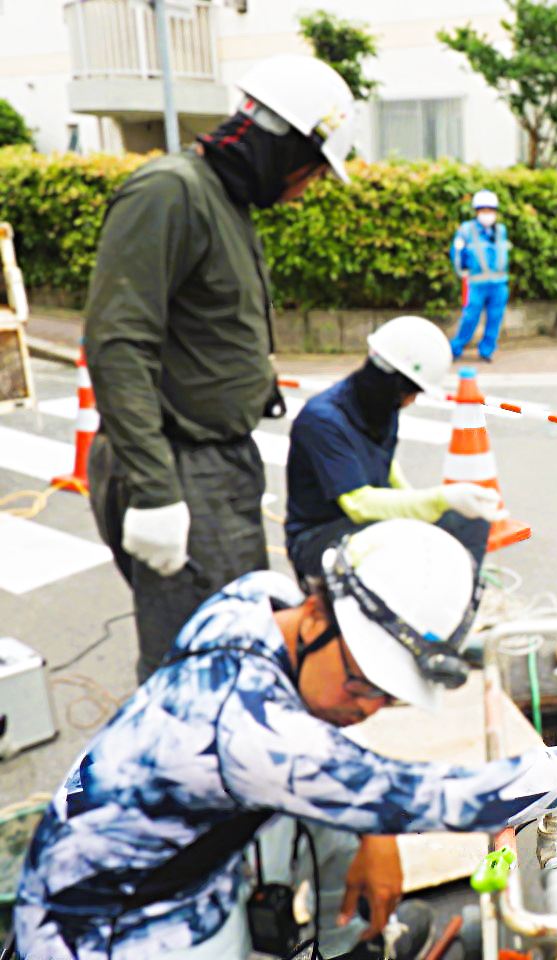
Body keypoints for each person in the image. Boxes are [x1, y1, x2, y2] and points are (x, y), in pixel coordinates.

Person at [13, 519, 557, 960]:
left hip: (137, 861)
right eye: (362, 680)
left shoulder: (254, 600)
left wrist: (374, 834)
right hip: (108, 932)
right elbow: (463, 801)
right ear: (319, 611)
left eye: (390, 692)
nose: (368, 707)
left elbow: (354, 779)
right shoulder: (255, 735)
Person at [85, 53, 357, 684]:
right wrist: (154, 492)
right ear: (281, 146)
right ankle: (174, 778)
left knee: (234, 636)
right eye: (311, 172)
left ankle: (217, 766)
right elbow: (118, 342)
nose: (304, 189)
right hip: (177, 464)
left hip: (219, 463)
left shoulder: (226, 203)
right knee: (194, 660)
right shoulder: (170, 191)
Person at [285, 314, 502, 584]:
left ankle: (454, 609)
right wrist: (440, 499)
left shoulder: (383, 408)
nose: (411, 401)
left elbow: (387, 471)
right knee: (399, 543)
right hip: (320, 539)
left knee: (467, 521)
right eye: (412, 392)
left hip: (370, 526)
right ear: (392, 383)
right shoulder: (322, 420)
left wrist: (434, 516)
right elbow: (359, 504)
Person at [449, 190, 510, 362]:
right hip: (476, 283)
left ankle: (486, 351)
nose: (487, 214)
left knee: (495, 319)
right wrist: (462, 272)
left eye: (491, 210)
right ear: (476, 211)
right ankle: (456, 349)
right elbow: (457, 253)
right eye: (483, 210)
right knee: (469, 318)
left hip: (499, 283)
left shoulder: (500, 230)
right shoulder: (466, 230)